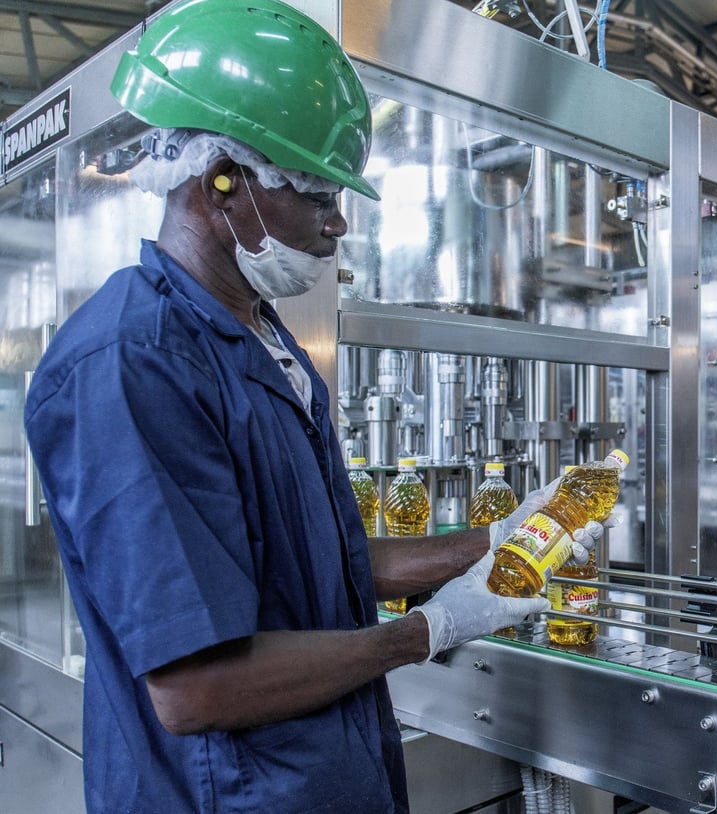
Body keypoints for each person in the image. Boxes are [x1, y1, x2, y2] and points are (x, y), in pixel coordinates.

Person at [23, 1, 598, 811]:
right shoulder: (131, 365)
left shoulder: (263, 340)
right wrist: (426, 632)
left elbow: (312, 568)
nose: (337, 222)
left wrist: (491, 543)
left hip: (323, 775)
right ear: (222, 182)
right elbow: (198, 690)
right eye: (315, 191)